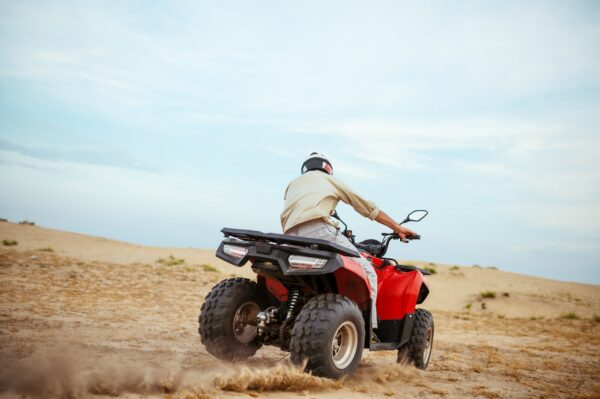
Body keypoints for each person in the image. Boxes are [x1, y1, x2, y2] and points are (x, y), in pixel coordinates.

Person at [280, 152, 417, 334]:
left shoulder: (293, 184)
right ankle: (370, 329)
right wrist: (397, 228)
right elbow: (366, 207)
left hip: (291, 236)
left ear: (305, 168)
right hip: (319, 231)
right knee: (368, 271)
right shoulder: (329, 180)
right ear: (327, 168)